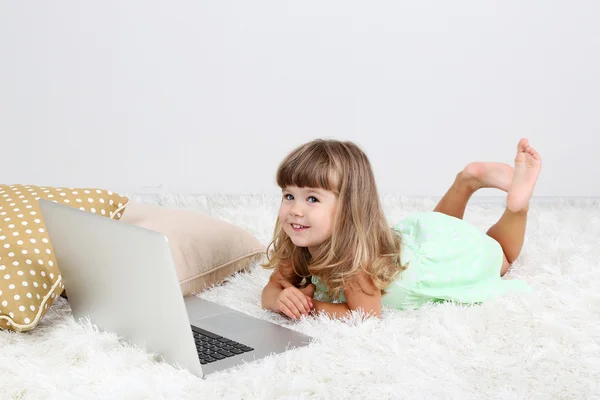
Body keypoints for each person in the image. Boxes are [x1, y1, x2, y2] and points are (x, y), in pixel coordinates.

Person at [260, 138, 541, 320]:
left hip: (435, 264)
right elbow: (270, 289)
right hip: (421, 240)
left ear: (348, 207)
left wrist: (308, 308)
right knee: (441, 229)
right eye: (288, 196)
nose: (295, 209)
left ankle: (517, 207)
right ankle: (466, 181)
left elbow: (366, 316)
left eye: (312, 199)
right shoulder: (301, 240)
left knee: (501, 256)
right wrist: (280, 299)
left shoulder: (355, 262)